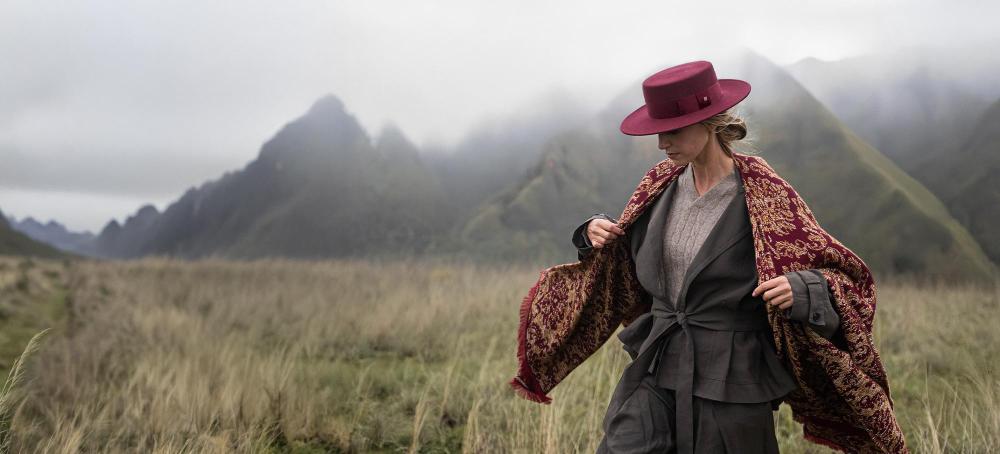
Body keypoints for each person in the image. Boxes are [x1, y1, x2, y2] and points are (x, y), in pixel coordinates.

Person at [573, 61, 841, 453]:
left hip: (732, 375)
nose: (662, 143)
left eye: (673, 131)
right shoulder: (660, 183)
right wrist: (594, 231)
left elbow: (837, 273)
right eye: (658, 131)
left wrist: (801, 288)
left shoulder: (766, 194)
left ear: (708, 123)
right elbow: (626, 254)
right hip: (659, 357)